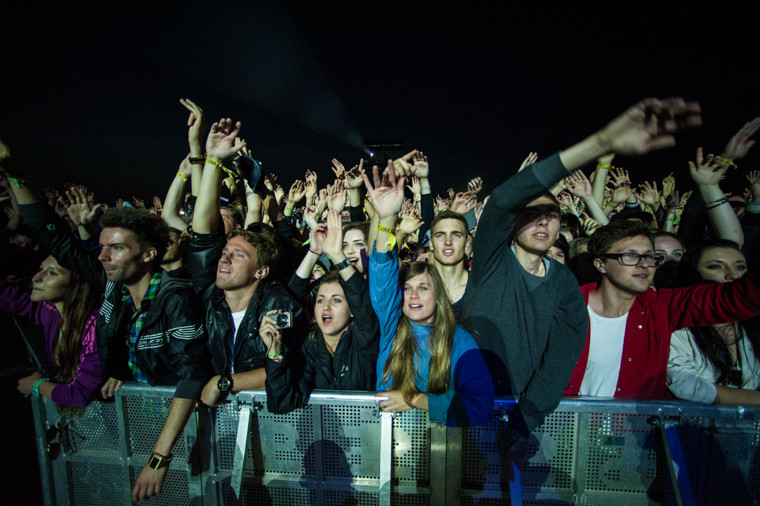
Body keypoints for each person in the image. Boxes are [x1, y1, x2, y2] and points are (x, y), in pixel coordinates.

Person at [462, 98, 703, 464]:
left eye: (552, 214)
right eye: (532, 214)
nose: (543, 222)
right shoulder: (491, 263)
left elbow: (560, 357)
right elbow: (501, 201)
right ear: (512, 223)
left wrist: (524, 421)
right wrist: (601, 142)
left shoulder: (564, 284)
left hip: (526, 421)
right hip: (471, 410)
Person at [10, 176, 209, 502]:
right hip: (134, 425)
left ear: (148, 255)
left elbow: (192, 376)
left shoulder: (176, 298)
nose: (103, 256)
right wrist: (13, 172)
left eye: (116, 248)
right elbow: (56, 240)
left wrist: (159, 458)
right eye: (102, 247)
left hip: (180, 433)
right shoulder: (114, 292)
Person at [564, 221, 760, 399]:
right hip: (563, 430)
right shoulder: (565, 307)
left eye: (650, 257)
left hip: (633, 434)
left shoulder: (663, 307)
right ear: (601, 264)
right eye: (630, 255)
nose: (644, 264)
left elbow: (740, 299)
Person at [364, 163, 493, 427]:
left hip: (439, 453)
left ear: (439, 295)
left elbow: (479, 407)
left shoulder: (459, 340)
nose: (413, 295)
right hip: (387, 445)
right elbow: (380, 272)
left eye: (423, 288)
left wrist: (413, 399)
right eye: (408, 288)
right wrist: (387, 221)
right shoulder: (393, 326)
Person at [187, 118, 305, 406]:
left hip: (268, 418)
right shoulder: (210, 295)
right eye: (226, 251)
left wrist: (226, 383)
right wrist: (211, 160)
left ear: (261, 271)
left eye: (238, 255)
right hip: (218, 417)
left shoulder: (279, 304)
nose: (224, 257)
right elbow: (202, 233)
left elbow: (287, 366)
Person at [264, 209, 379, 413]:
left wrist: (337, 255)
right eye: (320, 300)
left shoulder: (364, 340)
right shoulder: (308, 345)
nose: (325, 307)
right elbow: (283, 403)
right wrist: (275, 356)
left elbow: (363, 302)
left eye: (336, 300)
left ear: (352, 310)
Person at [3, 255, 103, 408]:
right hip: (84, 422)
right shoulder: (51, 312)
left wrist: (38, 385)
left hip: (113, 422)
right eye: (42, 269)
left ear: (77, 284)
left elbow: (80, 394)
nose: (36, 278)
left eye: (52, 273)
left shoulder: (95, 326)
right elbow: (10, 298)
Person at [667, 240, 760, 405]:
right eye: (716, 266)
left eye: (740, 267)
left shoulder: (751, 326)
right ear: (692, 274)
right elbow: (687, 386)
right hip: (690, 427)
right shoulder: (675, 325)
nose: (732, 275)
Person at [428, 210, 470, 318]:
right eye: (440, 235)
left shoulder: (480, 287)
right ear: (431, 244)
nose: (448, 242)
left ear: (466, 244)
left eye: (456, 235)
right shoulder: (417, 288)